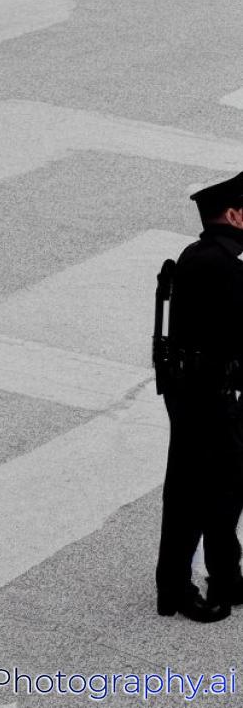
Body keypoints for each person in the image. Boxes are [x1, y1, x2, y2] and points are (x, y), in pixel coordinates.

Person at [155, 172, 243, 622]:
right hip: (205, 398)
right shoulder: (221, 266)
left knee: (225, 488)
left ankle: (226, 575)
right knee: (193, 494)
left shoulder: (206, 255)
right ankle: (175, 589)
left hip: (202, 393)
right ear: (233, 215)